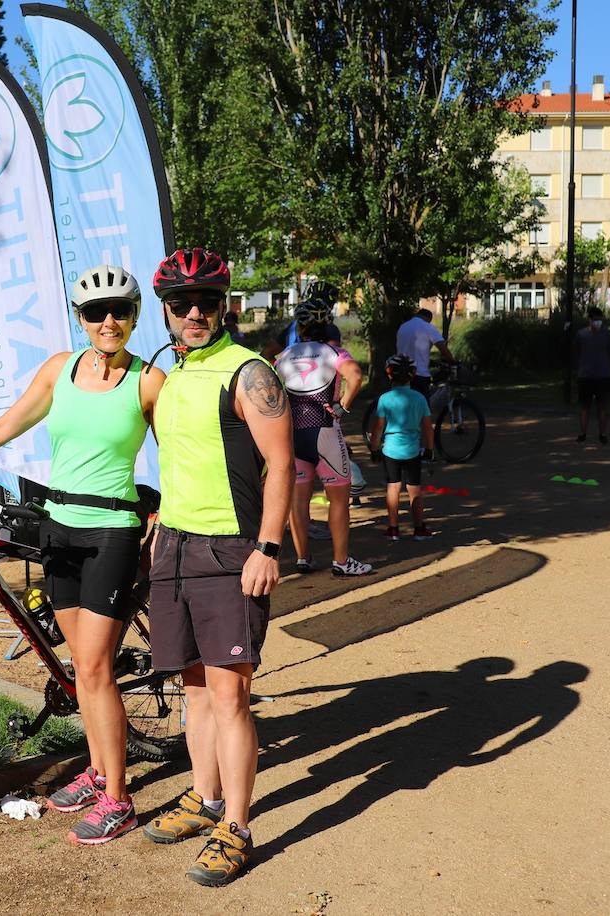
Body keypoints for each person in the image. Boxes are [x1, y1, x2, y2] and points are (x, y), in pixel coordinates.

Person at [0, 264, 165, 846]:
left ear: (134, 315)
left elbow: (179, 453)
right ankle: (98, 772)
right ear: (80, 318)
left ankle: (119, 800)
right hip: (59, 529)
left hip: (112, 533)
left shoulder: (149, 381)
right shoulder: (60, 369)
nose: (108, 321)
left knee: (94, 669)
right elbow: (6, 426)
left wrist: (165, 514)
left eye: (119, 310)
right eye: (95, 312)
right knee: (81, 668)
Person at [139, 247, 292, 886]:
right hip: (175, 546)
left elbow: (282, 464)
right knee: (195, 685)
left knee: (231, 694)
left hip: (232, 550)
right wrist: (160, 521)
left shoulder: (248, 372)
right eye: (181, 303)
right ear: (166, 310)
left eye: (206, 301)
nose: (194, 312)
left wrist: (268, 547)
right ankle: (203, 799)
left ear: (223, 304)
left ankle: (237, 826)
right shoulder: (171, 374)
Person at [275, 293, 371, 577]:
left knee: (298, 501)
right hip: (325, 431)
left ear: (300, 327)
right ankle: (341, 562)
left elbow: (268, 389)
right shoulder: (334, 352)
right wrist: (343, 406)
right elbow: (356, 375)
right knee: (339, 498)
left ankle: (303, 558)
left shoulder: (284, 356)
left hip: (294, 435)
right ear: (328, 324)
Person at [368, 354, 435, 541]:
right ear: (413, 374)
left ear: (389, 374)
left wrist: (374, 449)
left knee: (393, 486)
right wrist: (429, 449)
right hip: (412, 450)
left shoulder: (385, 399)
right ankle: (419, 529)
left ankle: (393, 529)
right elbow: (428, 428)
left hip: (391, 450)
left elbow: (378, 428)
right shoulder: (420, 398)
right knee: (414, 488)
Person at [395, 307, 454, 397]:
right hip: (419, 375)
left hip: (401, 373)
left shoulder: (403, 327)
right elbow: (443, 349)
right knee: (422, 403)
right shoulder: (428, 327)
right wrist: (453, 361)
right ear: (428, 318)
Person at [574, 307, 610, 444]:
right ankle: (582, 433)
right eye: (595, 320)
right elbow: (577, 351)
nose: (598, 322)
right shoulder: (581, 334)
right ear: (589, 320)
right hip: (585, 376)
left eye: (600, 320)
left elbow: (609, 351)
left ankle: (602, 434)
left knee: (602, 407)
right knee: (585, 406)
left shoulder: (607, 334)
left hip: (603, 375)